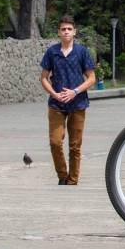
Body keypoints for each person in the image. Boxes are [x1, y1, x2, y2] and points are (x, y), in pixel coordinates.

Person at [40, 15, 95, 185]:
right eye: (63, 29)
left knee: (74, 145)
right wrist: (54, 94)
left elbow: (91, 78)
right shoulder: (52, 52)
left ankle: (72, 179)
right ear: (59, 32)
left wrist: (75, 91)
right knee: (55, 142)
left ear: (74, 32)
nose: (66, 32)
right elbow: (43, 77)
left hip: (77, 103)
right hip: (56, 104)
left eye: (69, 29)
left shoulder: (82, 52)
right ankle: (62, 175)